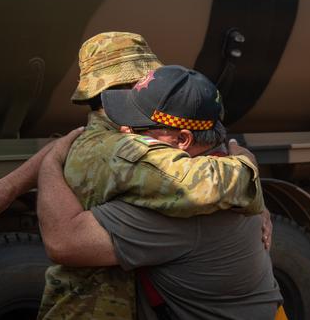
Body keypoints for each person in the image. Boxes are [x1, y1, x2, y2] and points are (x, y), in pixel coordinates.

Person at [0, 33, 270, 319]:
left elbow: (203, 174)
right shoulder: (123, 148)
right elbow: (217, 180)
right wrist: (246, 170)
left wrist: (11, 184)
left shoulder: (101, 141)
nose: (148, 90)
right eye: (143, 85)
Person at [35, 65, 282, 319]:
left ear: (182, 140)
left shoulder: (181, 204)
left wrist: (51, 162)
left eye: (138, 128)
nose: (124, 130)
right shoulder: (226, 166)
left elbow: (62, 241)